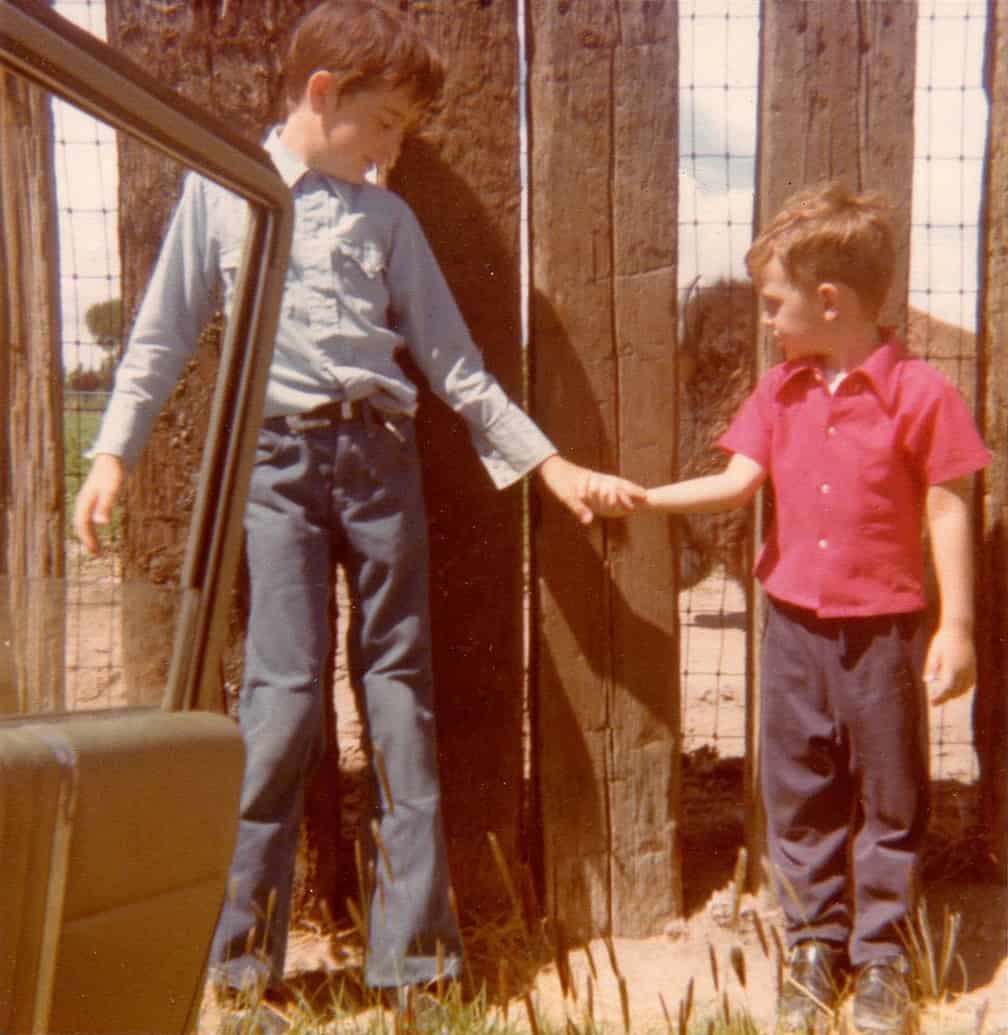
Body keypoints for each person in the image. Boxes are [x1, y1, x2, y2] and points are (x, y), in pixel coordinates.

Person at [73, 0, 644, 1015]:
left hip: (382, 466)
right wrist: (112, 451)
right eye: (384, 124)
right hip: (276, 469)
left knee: (400, 700)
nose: (393, 149)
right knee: (280, 702)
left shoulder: (389, 221)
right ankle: (241, 965)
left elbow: (456, 367)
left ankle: (415, 962)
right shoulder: (228, 195)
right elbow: (161, 339)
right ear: (323, 95)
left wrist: (548, 466)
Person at [636, 183, 990, 1035]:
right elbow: (734, 482)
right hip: (792, 630)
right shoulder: (780, 394)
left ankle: (881, 956)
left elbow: (949, 506)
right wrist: (643, 499)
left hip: (883, 634)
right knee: (800, 792)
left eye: (773, 304)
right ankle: (812, 944)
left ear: (828, 300)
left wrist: (959, 624)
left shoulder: (921, 395)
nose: (766, 322)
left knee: (891, 794)